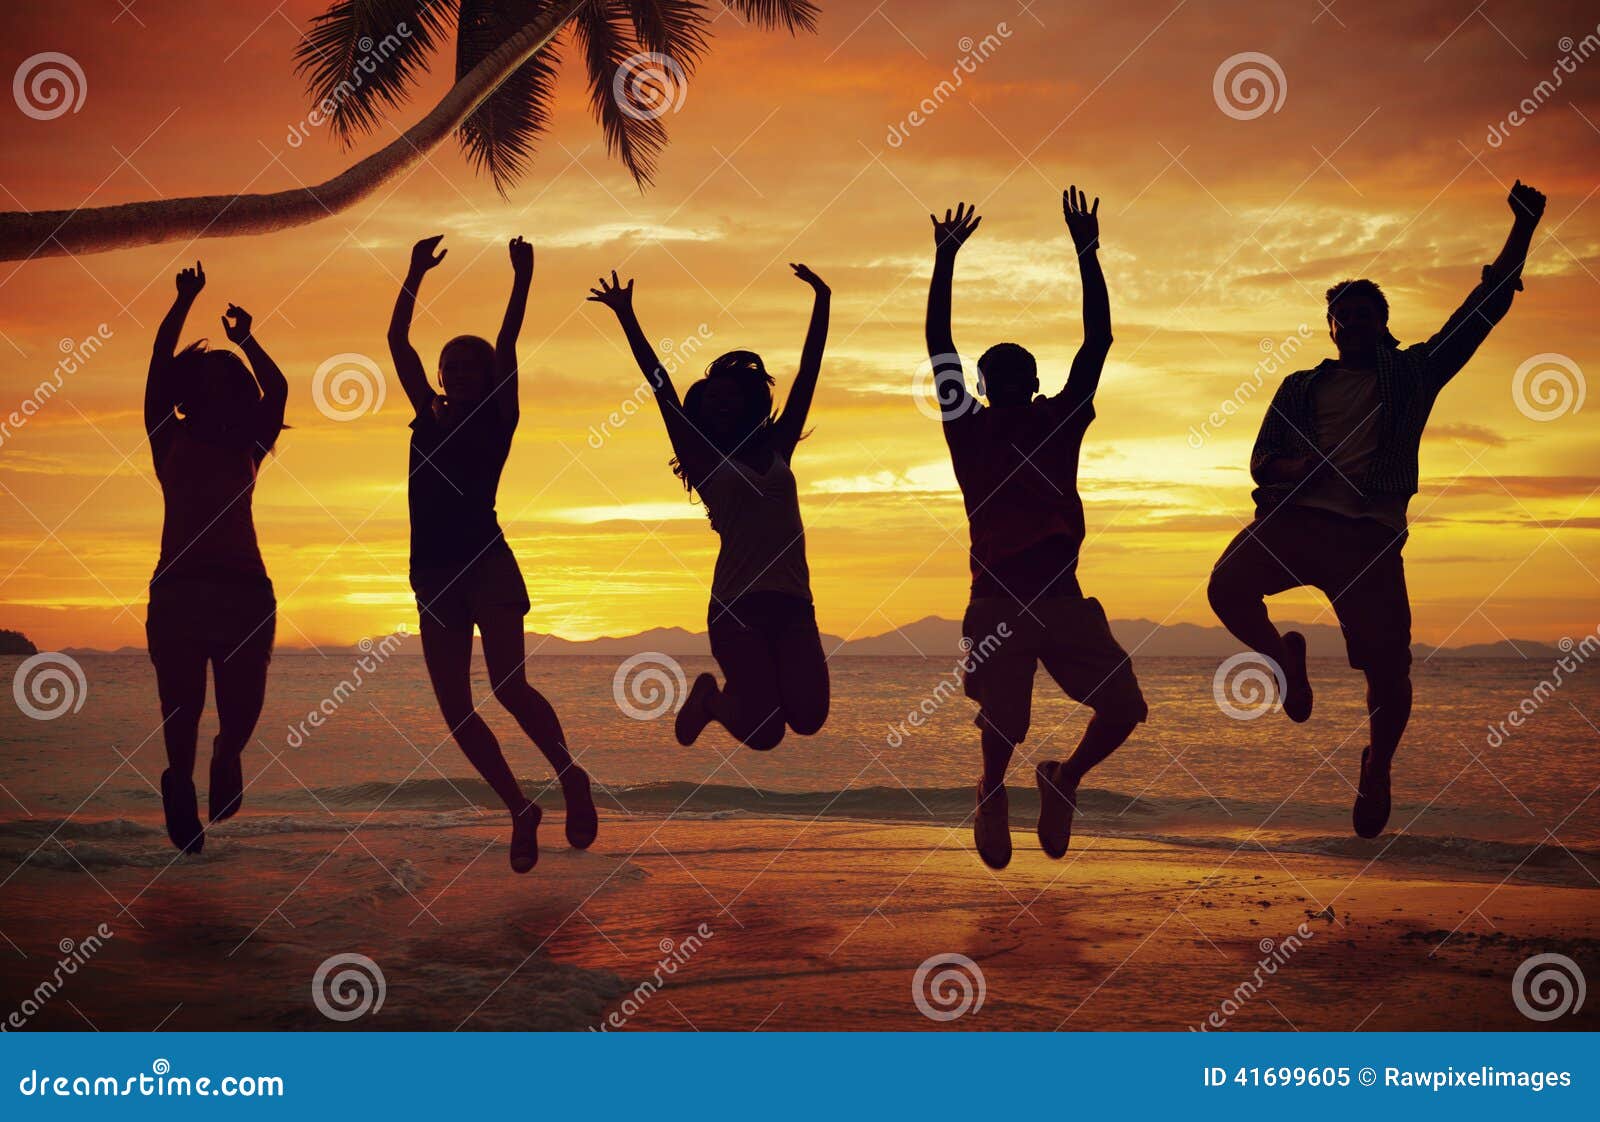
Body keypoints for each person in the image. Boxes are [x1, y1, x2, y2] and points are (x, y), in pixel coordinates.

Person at [1207, 180, 1547, 838]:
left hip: (1370, 537)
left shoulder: (1412, 375)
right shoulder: (1300, 387)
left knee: (1390, 674)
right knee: (1226, 588)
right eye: (1344, 315)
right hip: (1298, 521)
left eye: (1366, 314)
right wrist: (1297, 467)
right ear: (1330, 326)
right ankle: (1284, 657)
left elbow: (1482, 309)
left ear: (1382, 323)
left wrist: (1524, 230)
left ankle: (1377, 765)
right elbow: (1261, 461)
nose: (1354, 323)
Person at [926, 189, 1148, 871]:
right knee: (1006, 723)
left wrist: (1088, 251)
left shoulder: (1061, 420)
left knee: (1123, 707)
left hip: (1061, 597)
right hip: (997, 599)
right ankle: (991, 791)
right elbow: (940, 344)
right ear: (988, 385)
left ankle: (1064, 777)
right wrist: (945, 260)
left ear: (1036, 380)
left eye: (1023, 371)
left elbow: (1099, 341)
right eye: (1000, 373)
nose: (1013, 379)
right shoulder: (970, 430)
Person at [388, 234, 597, 873]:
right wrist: (413, 272)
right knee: (455, 707)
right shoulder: (426, 415)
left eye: (467, 366)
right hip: (432, 574)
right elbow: (398, 343)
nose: (454, 372)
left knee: (509, 684)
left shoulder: (497, 417)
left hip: (485, 564)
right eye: (449, 365)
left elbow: (509, 346)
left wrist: (523, 277)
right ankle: (519, 807)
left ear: (486, 378)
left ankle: (570, 776)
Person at [588, 264, 831, 753]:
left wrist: (822, 299)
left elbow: (807, 376)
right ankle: (711, 701)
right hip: (736, 605)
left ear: (747, 401)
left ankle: (749, 694)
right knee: (764, 734)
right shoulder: (702, 461)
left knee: (808, 719)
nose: (720, 404)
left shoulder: (778, 446)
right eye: (711, 398)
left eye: (729, 396)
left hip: (793, 602)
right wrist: (626, 316)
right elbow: (660, 387)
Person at [145, 262, 285, 854]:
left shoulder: (250, 445)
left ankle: (226, 757)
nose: (218, 390)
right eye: (207, 381)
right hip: (178, 590)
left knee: (243, 706)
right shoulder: (167, 436)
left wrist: (246, 340)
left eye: (228, 383)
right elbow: (156, 370)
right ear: (191, 392)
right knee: (181, 708)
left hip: (244, 592)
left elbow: (277, 390)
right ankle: (179, 780)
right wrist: (182, 301)